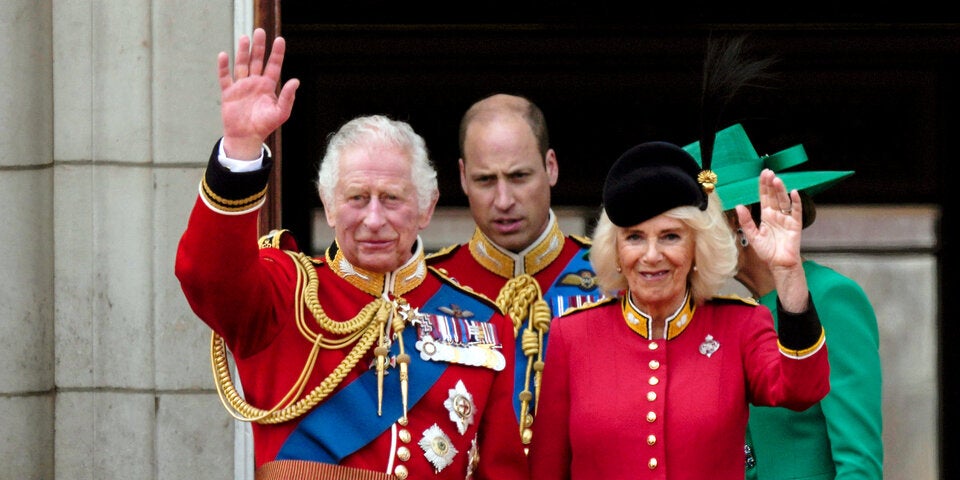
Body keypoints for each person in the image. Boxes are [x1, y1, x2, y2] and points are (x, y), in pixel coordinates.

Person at [174, 28, 529, 479]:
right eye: (358, 198)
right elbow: (207, 275)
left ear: (427, 207)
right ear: (328, 205)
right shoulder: (285, 293)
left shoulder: (483, 324)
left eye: (393, 199)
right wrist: (241, 150)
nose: (374, 219)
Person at [528, 139, 831, 479]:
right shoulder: (573, 336)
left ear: (697, 247)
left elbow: (803, 389)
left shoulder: (740, 325)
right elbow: (547, 469)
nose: (652, 255)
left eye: (670, 236)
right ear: (615, 249)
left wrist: (788, 273)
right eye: (634, 237)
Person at [684, 123, 883, 479]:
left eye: (694, 231)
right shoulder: (744, 312)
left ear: (736, 223)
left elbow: (859, 463)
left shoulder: (830, 296)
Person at [426, 93, 602, 446]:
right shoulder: (425, 287)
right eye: (486, 180)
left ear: (550, 167)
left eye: (519, 176)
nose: (504, 200)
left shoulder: (613, 278)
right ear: (462, 178)